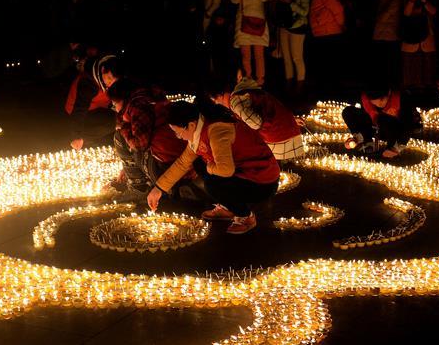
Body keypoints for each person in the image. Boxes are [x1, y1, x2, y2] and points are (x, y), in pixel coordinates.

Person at [147, 102, 280, 235]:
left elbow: (226, 170)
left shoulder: (217, 131)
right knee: (199, 163)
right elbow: (182, 163)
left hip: (262, 181)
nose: (179, 137)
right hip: (244, 173)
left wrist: (209, 167)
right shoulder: (199, 131)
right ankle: (228, 206)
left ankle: (245, 216)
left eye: (178, 133)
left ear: (191, 125)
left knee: (212, 184)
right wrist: (158, 189)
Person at [103, 60, 187, 197]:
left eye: (114, 104)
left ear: (122, 99)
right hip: (177, 164)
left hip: (166, 168)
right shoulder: (149, 95)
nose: (115, 109)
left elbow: (139, 145)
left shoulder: (137, 107)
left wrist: (123, 126)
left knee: (120, 137)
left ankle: (139, 188)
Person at [207, 73, 305, 161]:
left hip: (278, 134)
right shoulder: (246, 91)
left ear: (220, 95)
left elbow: (256, 123)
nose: (216, 103)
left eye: (214, 100)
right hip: (286, 126)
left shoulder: (235, 102)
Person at [341, 83, 419, 159]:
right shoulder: (368, 99)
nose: (380, 104)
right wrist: (357, 138)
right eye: (375, 102)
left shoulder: (401, 98)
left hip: (395, 129)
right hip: (377, 127)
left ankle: (390, 147)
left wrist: (396, 147)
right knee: (348, 112)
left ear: (389, 93)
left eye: (382, 99)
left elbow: (408, 125)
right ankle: (367, 142)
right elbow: (368, 120)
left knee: (383, 119)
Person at [66, 52, 118, 149]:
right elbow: (79, 109)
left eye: (114, 81)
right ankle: (82, 140)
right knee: (114, 121)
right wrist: (76, 136)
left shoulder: (108, 78)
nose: (110, 83)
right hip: (77, 110)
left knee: (119, 119)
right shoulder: (88, 83)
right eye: (109, 78)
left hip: (97, 106)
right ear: (102, 70)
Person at [231, 0, 270, 85]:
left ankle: (260, 81)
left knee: (259, 55)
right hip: (243, 24)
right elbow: (233, 0)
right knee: (245, 55)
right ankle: (247, 79)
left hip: (258, 24)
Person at [309, 0, 345, 95]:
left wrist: (341, 24)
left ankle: (329, 94)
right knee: (328, 66)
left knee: (328, 67)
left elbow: (336, 8)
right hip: (326, 30)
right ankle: (328, 93)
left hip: (327, 31)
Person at [373, 0, 405, 91]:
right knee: (386, 63)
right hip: (385, 30)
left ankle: (390, 91)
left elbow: (394, 5)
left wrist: (380, 19)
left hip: (388, 30)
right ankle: (387, 89)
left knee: (389, 62)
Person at [276, 0, 310, 93]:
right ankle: (289, 82)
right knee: (286, 57)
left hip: (297, 28)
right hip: (284, 27)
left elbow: (305, 12)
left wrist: (291, 3)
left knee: (296, 57)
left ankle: (300, 84)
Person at [400, 0, 437, 92]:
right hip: (410, 41)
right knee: (410, 73)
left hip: (427, 41)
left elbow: (434, 11)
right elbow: (405, 13)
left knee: (427, 73)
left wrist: (424, 1)